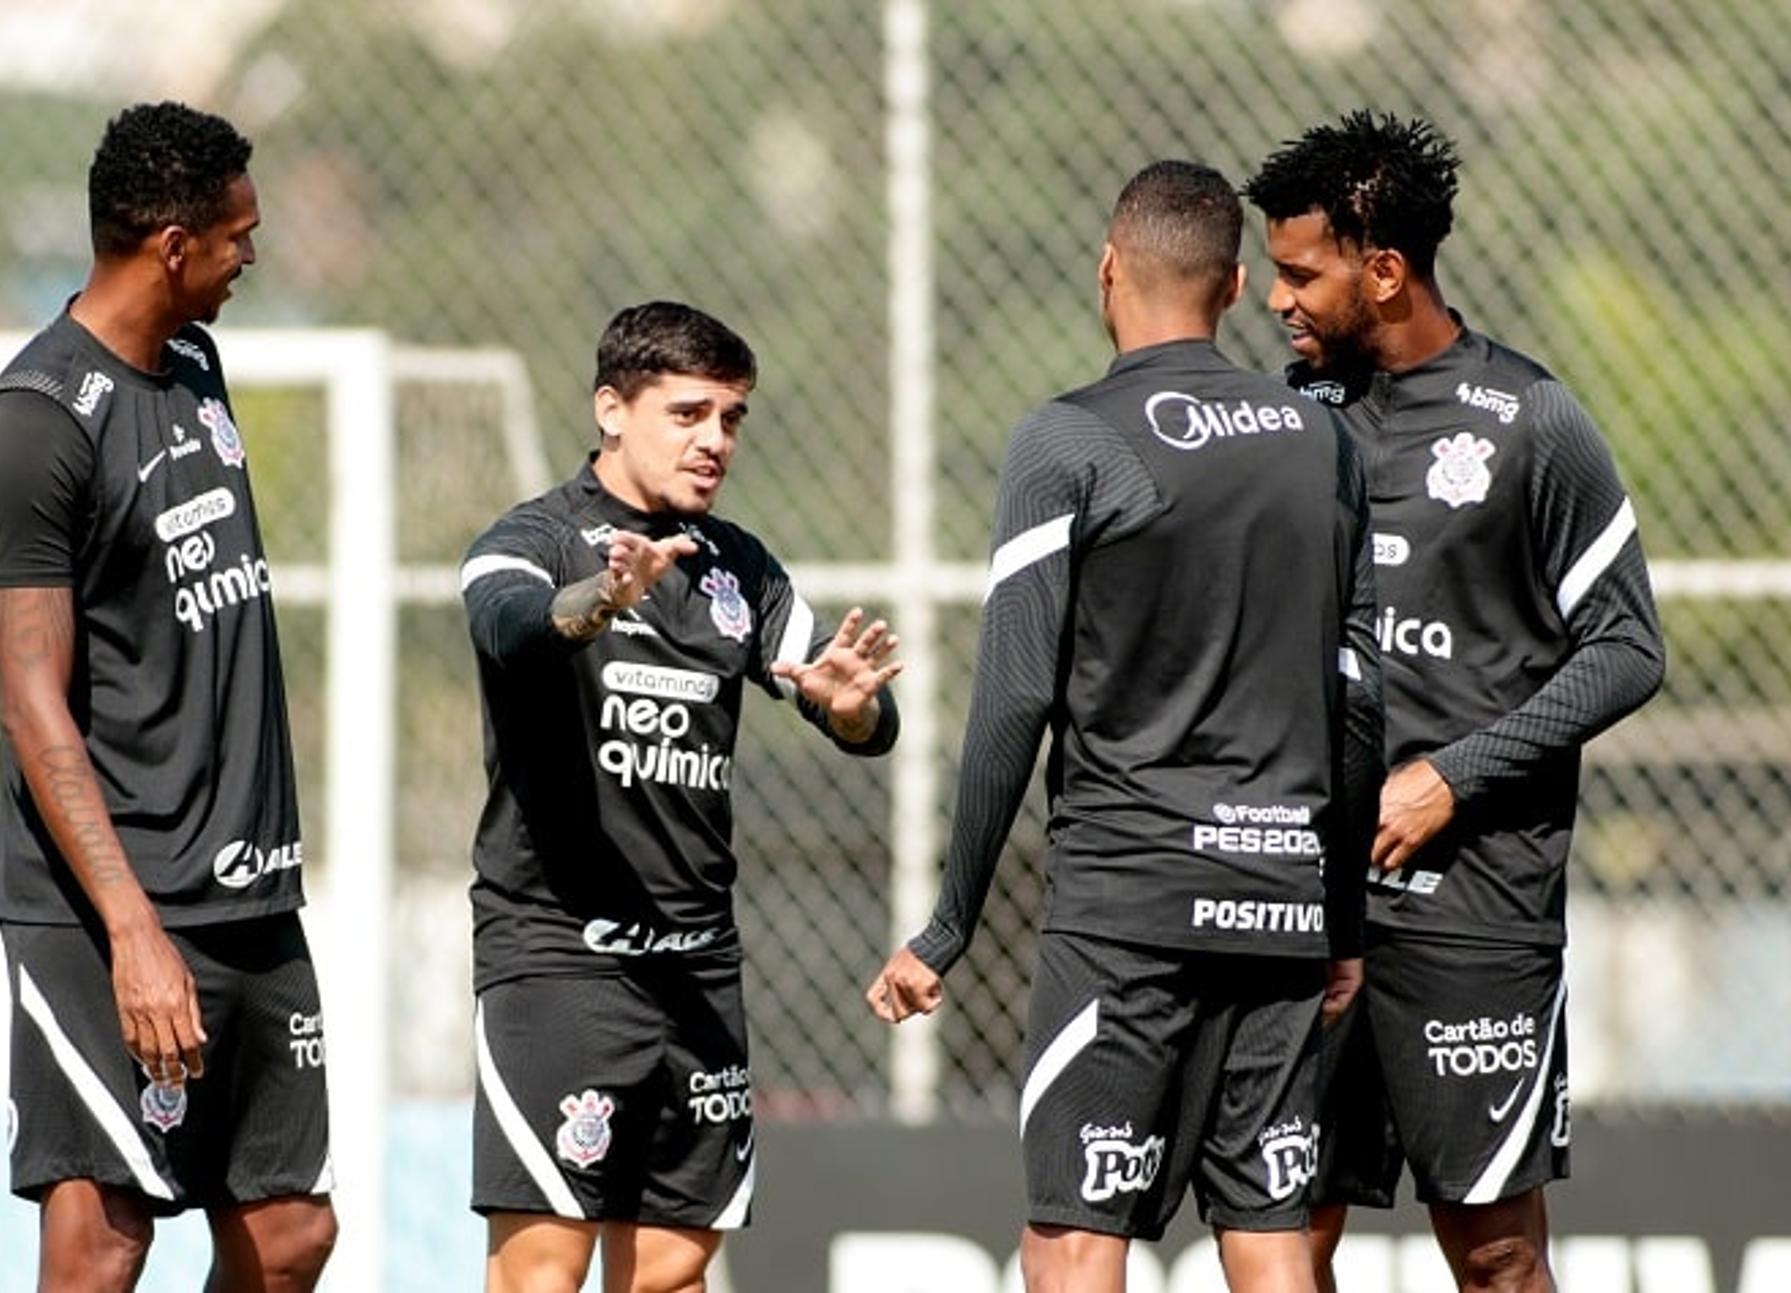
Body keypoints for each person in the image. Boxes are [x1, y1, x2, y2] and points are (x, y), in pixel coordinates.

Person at [867, 161, 1383, 1293]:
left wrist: (951, 923)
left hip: (1128, 914)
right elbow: (1358, 698)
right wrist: (1338, 916)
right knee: (1271, 1235)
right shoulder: (1321, 440)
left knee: (1072, 1239)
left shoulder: (1067, 442)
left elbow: (1013, 695)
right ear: (1238, 285)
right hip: (1281, 903)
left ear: (1110, 267)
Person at [1244, 111, 1666, 1293]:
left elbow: (1630, 647)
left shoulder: (1531, 420)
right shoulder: (1292, 421)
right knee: (1285, 1236)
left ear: (1383, 271)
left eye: (1298, 274)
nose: (1275, 300)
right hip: (1306, 901)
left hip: (1475, 904)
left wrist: (1452, 777)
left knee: (1491, 1253)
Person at [460, 300, 903, 1293]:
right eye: (689, 413)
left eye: (732, 419)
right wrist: (604, 604)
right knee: (541, 1275)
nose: (715, 442)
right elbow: (507, 625)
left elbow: (855, 713)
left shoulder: (739, 568)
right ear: (611, 409)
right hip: (561, 964)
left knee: (669, 1274)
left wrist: (851, 710)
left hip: (696, 970)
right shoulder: (534, 539)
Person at [0, 102, 336, 1292]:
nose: (250, 257)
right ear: (173, 245)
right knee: (104, 1242)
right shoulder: (35, 419)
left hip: (246, 889)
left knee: (288, 1238)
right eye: (238, 237)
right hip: (108, 907)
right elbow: (32, 701)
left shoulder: (194, 358)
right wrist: (132, 932)